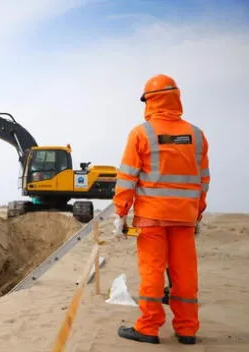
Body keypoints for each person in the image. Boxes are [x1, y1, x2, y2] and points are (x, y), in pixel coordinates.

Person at [112, 74, 210, 345]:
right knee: (185, 272)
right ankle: (187, 329)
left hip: (152, 218)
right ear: (176, 98)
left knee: (153, 270)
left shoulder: (141, 133)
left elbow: (128, 177)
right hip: (185, 218)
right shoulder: (197, 135)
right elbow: (203, 180)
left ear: (149, 101)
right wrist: (198, 213)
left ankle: (149, 327)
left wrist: (121, 212)